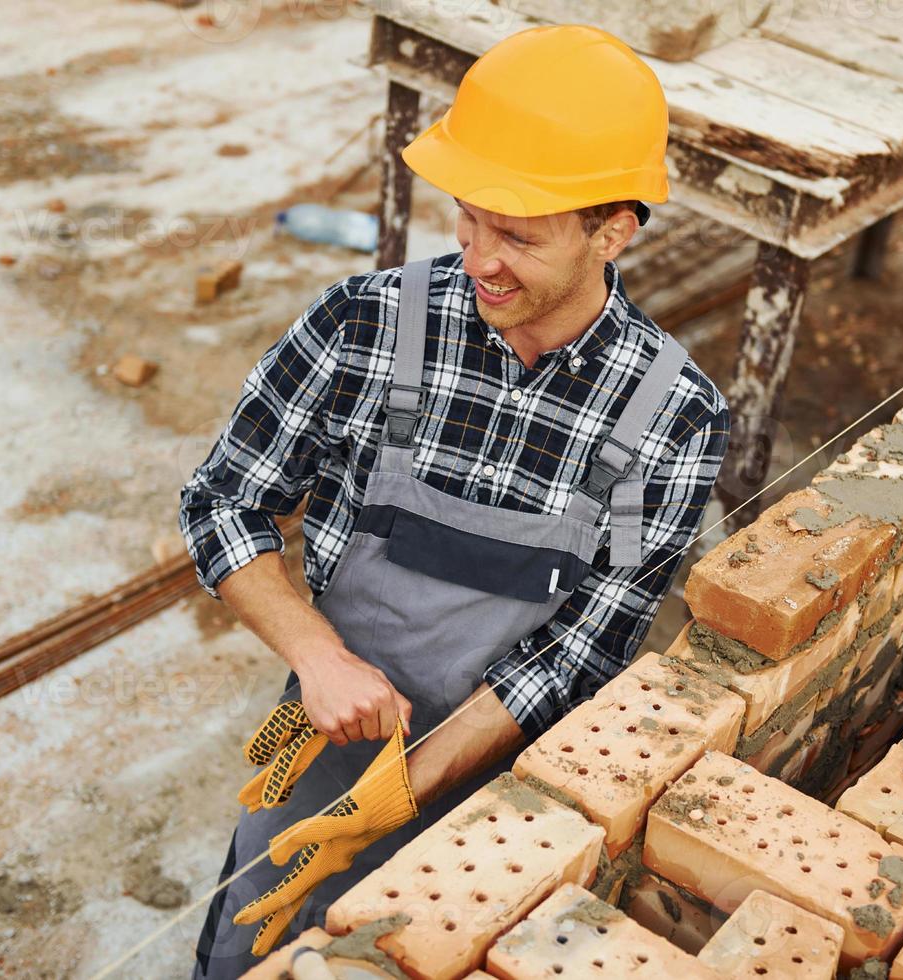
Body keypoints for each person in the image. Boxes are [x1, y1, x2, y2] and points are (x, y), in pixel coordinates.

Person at [181, 23, 730, 977]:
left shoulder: (670, 416)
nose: (479, 257)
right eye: (469, 218)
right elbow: (223, 500)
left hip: (507, 786)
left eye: (517, 233)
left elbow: (586, 647)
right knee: (252, 947)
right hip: (330, 735)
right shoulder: (364, 322)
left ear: (614, 230)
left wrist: (403, 794)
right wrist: (316, 655)